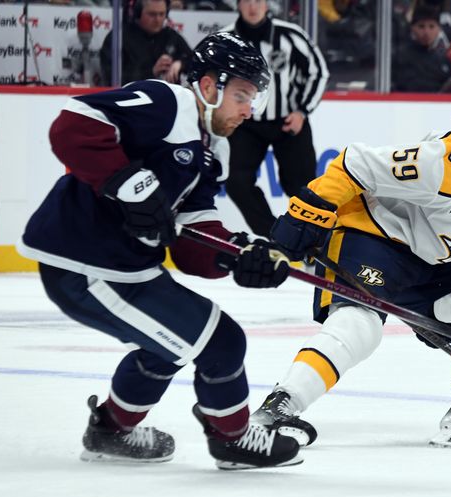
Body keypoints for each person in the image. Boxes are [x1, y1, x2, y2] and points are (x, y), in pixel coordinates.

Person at [16, 32, 301, 470]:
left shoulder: (213, 150)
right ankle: (233, 439)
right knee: (221, 343)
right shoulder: (168, 103)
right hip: (85, 264)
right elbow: (73, 124)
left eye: (254, 99)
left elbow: (191, 236)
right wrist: (131, 185)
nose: (250, 110)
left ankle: (111, 431)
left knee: (167, 347)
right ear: (209, 86)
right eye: (243, 95)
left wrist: (237, 255)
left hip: (128, 268)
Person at [251, 93, 451, 451]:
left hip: (430, 267)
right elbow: (356, 163)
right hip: (374, 237)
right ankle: (278, 408)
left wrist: (439, 313)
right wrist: (309, 209)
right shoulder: (450, 163)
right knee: (360, 324)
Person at [222, 0, 330, 238]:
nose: (253, 6)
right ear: (238, 5)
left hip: (289, 122)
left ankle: (314, 242)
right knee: (237, 182)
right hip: (245, 123)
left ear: (268, 4)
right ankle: (276, 237)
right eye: (247, 1)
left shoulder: (290, 35)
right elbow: (214, 80)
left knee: (303, 188)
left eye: (259, 0)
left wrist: (302, 111)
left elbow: (318, 72)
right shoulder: (226, 40)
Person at [99, 0, 193, 86]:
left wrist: (180, 63)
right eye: (152, 14)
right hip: (131, 98)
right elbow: (112, 78)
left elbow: (194, 60)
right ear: (138, 13)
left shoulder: (170, 36)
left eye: (162, 14)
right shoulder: (118, 38)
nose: (158, 19)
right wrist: (152, 72)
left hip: (167, 98)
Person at [393, 5, 451, 93]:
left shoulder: (444, 60)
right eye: (421, 26)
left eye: (431, 26)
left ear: (439, 29)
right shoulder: (400, 57)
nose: (426, 32)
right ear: (412, 28)